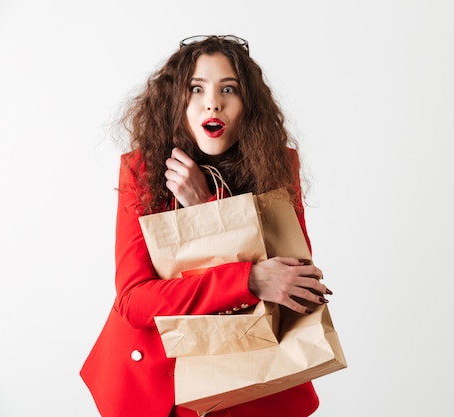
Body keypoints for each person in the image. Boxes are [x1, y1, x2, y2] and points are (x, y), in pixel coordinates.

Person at [80, 35, 332, 417]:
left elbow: (294, 283)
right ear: (175, 101)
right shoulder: (143, 170)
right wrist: (249, 279)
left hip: (251, 383)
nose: (212, 102)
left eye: (228, 88)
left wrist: (205, 207)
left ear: (248, 105)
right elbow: (134, 301)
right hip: (159, 384)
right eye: (196, 89)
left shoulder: (277, 167)